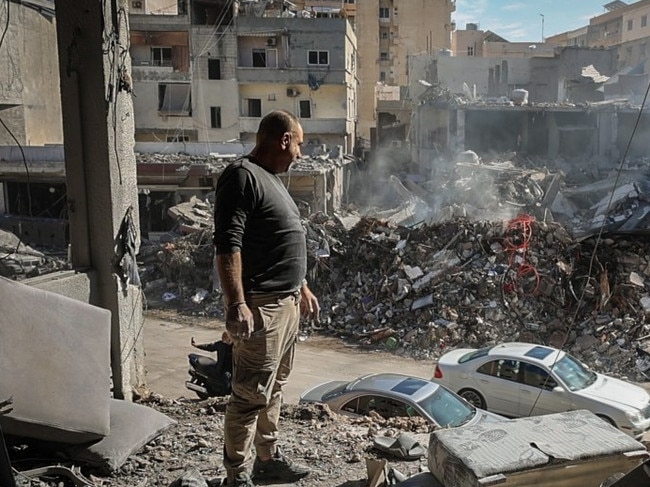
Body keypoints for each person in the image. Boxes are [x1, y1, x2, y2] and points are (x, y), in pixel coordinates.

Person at [213, 109, 320, 487]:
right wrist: (236, 304)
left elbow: (279, 242)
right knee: (249, 396)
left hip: (287, 303)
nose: (300, 155)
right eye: (300, 145)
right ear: (284, 139)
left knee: (274, 388)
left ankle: (267, 460)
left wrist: (301, 286)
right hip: (263, 307)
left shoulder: (271, 180)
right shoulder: (242, 177)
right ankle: (236, 477)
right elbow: (228, 244)